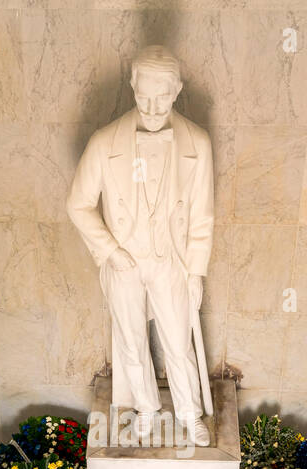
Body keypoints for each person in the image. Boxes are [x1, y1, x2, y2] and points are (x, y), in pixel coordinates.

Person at [66, 45, 215, 446]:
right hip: (123, 261)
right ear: (132, 86)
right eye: (143, 96)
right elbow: (78, 204)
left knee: (178, 342)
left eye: (161, 97)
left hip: (172, 261)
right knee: (131, 341)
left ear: (177, 90)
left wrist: (197, 270)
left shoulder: (197, 143)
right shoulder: (103, 141)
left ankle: (188, 412)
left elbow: (203, 215)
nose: (151, 107)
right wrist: (111, 252)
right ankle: (147, 408)